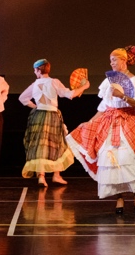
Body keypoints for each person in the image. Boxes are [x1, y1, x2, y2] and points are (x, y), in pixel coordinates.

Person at [67, 46, 135, 214]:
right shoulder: (108, 82)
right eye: (110, 60)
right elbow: (103, 107)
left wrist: (122, 95)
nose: (111, 63)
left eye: (114, 60)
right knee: (110, 160)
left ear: (124, 61)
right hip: (108, 124)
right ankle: (119, 198)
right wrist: (88, 122)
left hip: (128, 122)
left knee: (127, 159)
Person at [19, 58, 90, 187]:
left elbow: (22, 98)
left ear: (38, 70)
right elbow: (69, 94)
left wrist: (35, 106)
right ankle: (56, 175)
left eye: (35, 70)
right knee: (57, 143)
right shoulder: (54, 82)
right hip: (52, 115)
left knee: (40, 144)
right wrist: (84, 86)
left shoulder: (34, 84)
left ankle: (42, 176)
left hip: (38, 116)